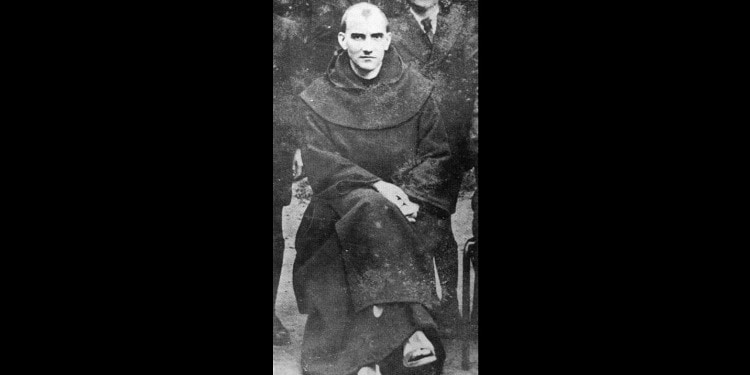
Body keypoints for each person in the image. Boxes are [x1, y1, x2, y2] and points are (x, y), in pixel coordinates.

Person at [292, 3, 454, 374]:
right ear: (342, 40)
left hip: (411, 204)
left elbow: (439, 156)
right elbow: (322, 164)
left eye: (375, 37)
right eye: (358, 37)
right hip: (339, 203)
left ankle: (366, 361)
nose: (367, 46)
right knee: (369, 208)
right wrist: (378, 187)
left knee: (378, 215)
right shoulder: (319, 96)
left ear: (388, 40)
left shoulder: (418, 91)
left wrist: (410, 196)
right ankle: (410, 334)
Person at [389, 0, 478, 337]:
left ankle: (448, 307)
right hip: (405, 144)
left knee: (439, 220)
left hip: (451, 143)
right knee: (414, 220)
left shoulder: (464, 24)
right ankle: (422, 308)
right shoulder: (390, 25)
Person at [273, 5, 306, 346]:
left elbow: (296, 92)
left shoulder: (287, 30)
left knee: (271, 231)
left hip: (274, 144)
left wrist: (297, 145)